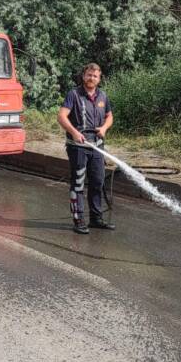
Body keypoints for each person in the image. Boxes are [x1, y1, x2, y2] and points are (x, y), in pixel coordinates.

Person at [57, 62, 115, 234]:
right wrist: (74, 132)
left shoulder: (103, 96)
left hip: (97, 147)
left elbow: (109, 116)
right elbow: (61, 116)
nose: (91, 78)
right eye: (89, 75)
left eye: (95, 76)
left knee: (97, 182)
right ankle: (79, 220)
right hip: (78, 147)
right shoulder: (73, 94)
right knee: (78, 183)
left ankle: (96, 219)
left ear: (99, 78)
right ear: (84, 76)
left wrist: (104, 128)